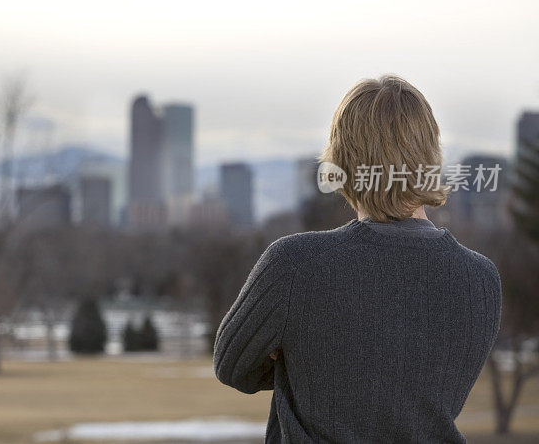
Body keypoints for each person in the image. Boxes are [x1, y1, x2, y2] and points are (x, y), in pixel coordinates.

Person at [213, 75, 501, 443]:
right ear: (431, 156)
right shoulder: (481, 280)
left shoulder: (295, 266)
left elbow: (233, 367)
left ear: (342, 164)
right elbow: (419, 388)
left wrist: (302, 351)